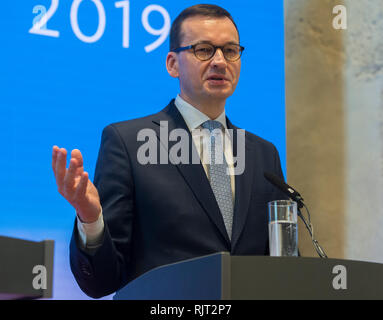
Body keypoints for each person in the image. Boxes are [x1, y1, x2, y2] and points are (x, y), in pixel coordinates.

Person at [52, 4, 286, 299]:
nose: (219, 61)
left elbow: (283, 267)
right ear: (173, 64)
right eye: (203, 50)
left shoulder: (264, 155)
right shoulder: (129, 143)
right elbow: (101, 282)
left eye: (230, 50)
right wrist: (90, 218)